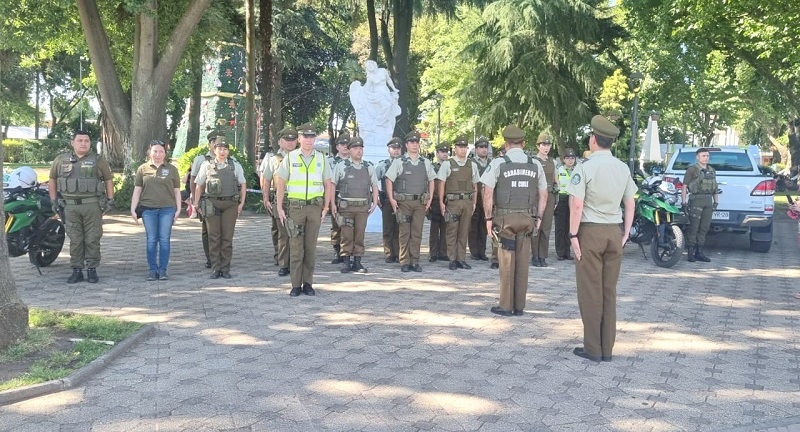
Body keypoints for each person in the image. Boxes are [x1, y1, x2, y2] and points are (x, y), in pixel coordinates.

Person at [566, 115, 637, 362]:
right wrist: (626, 232)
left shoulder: (584, 168)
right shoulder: (622, 167)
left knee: (590, 292)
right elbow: (630, 202)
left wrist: (573, 234)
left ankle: (592, 349)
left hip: (590, 232)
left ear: (593, 139)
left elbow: (577, 205)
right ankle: (607, 348)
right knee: (609, 291)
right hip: (613, 232)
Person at [481, 125, 547, 316]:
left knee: (507, 263)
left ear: (505, 143)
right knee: (523, 264)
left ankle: (505, 305)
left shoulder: (498, 163)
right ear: (524, 143)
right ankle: (519, 306)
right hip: (527, 219)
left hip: (505, 221)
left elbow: (487, 192)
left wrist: (488, 218)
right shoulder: (535, 164)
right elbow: (543, 193)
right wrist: (539, 217)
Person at [48, 130, 115, 284]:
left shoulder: (98, 160)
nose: (83, 143)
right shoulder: (60, 160)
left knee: (92, 238)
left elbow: (108, 179)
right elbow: (52, 179)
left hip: (92, 205)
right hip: (70, 206)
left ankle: (92, 270)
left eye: (86, 140)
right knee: (75, 239)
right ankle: (76, 270)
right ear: (73, 143)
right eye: (80, 140)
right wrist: (53, 200)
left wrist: (110, 199)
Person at [275, 123, 333, 296]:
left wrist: (326, 207)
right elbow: (281, 183)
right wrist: (279, 206)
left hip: (315, 207)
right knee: (296, 246)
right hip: (296, 207)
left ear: (314, 139)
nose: (308, 140)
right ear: (299, 139)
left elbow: (328, 184)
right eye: (305, 137)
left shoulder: (321, 158)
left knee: (310, 247)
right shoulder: (290, 158)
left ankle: (308, 283)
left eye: (311, 137)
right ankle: (295, 285)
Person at [193, 138, 247, 279]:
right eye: (219, 148)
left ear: (228, 151)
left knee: (227, 238)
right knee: (214, 237)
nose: (222, 152)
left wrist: (241, 203)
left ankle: (225, 268)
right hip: (211, 203)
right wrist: (196, 203)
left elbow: (243, 184)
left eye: (225, 149)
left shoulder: (235, 166)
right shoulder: (206, 165)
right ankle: (215, 268)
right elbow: (199, 185)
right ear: (214, 150)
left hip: (230, 204)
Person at [385, 130, 437, 272]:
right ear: (406, 145)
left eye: (416, 142)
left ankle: (415, 260)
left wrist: (430, 198)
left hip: (420, 203)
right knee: (404, 232)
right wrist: (391, 199)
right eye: (412, 142)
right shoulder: (399, 161)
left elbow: (432, 180)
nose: (415, 145)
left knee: (417, 232)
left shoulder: (425, 162)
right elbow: (389, 179)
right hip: (404, 203)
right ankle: (404, 261)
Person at [130, 140, 182, 281]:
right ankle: (152, 269)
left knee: (164, 240)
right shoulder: (143, 169)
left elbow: (177, 191)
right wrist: (133, 209)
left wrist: (178, 209)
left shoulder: (172, 169)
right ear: (149, 152)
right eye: (155, 151)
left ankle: (163, 270)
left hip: (167, 209)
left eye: (161, 151)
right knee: (151, 240)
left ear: (165, 153)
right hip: (148, 210)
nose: (158, 154)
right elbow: (137, 190)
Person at [331, 136, 380, 273]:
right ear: (350, 150)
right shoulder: (341, 166)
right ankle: (346, 262)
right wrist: (332, 204)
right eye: (355, 148)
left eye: (360, 148)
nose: (358, 151)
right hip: (345, 207)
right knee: (346, 234)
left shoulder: (368, 166)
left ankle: (357, 262)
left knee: (359, 234)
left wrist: (375, 202)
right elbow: (332, 184)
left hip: (362, 207)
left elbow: (375, 185)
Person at [438, 135, 479, 270]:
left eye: (464, 147)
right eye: (460, 147)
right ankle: (452, 259)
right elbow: (442, 184)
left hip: (467, 201)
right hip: (453, 202)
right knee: (452, 231)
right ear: (455, 148)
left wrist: (474, 202)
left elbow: (475, 185)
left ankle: (461, 258)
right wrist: (441, 203)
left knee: (464, 231)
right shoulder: (447, 164)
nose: (462, 150)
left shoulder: (472, 164)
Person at [261, 127, 298, 277]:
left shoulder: (301, 157)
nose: (290, 143)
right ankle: (283, 263)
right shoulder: (273, 159)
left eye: (293, 140)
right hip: (280, 200)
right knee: (282, 234)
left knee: (296, 233)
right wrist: (265, 198)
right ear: (280, 141)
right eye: (287, 140)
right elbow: (267, 179)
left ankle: (295, 262)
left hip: (298, 199)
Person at [681, 147, 718, 262]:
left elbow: (715, 188)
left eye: (707, 156)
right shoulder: (692, 170)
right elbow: (685, 186)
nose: (706, 158)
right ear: (698, 157)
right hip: (696, 200)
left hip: (708, 201)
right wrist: (684, 202)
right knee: (694, 227)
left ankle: (699, 252)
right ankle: (690, 253)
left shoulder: (711, 170)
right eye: (703, 156)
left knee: (704, 227)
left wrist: (716, 201)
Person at [190, 130, 219, 269]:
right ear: (210, 144)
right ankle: (210, 257)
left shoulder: (231, 160)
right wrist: (195, 199)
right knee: (207, 230)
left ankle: (220, 256)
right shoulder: (201, 159)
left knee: (223, 230)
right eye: (214, 142)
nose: (216, 145)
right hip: (205, 200)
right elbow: (194, 180)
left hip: (224, 200)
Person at [531, 132, 558, 267]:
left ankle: (543, 256)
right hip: (537, 197)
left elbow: (556, 181)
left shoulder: (553, 162)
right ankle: (534, 255)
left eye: (548, 145)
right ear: (538, 146)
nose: (546, 147)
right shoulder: (533, 162)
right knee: (536, 227)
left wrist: (556, 198)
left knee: (546, 227)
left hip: (550, 196)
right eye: (543, 145)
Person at [377, 137, 402, 263]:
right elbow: (374, 181)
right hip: (387, 200)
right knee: (388, 228)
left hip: (401, 200)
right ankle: (388, 253)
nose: (396, 151)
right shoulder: (382, 165)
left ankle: (398, 253)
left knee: (399, 227)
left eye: (398, 148)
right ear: (389, 150)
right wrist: (375, 197)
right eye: (394, 148)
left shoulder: (404, 164)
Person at [328, 133, 351, 264]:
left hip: (350, 197)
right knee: (336, 225)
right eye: (342, 144)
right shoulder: (330, 162)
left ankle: (348, 251)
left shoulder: (354, 162)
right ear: (337, 147)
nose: (345, 147)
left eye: (347, 144)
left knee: (348, 226)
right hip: (335, 195)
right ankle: (338, 252)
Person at [468, 136, 492, 262]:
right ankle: (474, 251)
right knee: (473, 225)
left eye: (485, 147)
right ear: (476, 149)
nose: (483, 150)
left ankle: (482, 251)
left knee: (484, 225)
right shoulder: (472, 163)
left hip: (487, 198)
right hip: (475, 197)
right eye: (481, 147)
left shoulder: (491, 162)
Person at [554, 148, 578, 260]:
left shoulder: (577, 171)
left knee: (570, 226)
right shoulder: (559, 170)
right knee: (560, 227)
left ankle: (567, 252)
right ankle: (560, 252)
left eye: (572, 158)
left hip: (572, 198)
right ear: (563, 159)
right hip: (562, 198)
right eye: (568, 158)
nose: (570, 160)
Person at [428, 143, 450, 262]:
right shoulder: (432, 167)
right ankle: (433, 253)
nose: (445, 153)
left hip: (447, 200)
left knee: (446, 227)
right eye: (442, 151)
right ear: (437, 153)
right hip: (435, 201)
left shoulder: (451, 166)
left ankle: (443, 252)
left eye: (446, 151)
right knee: (434, 228)